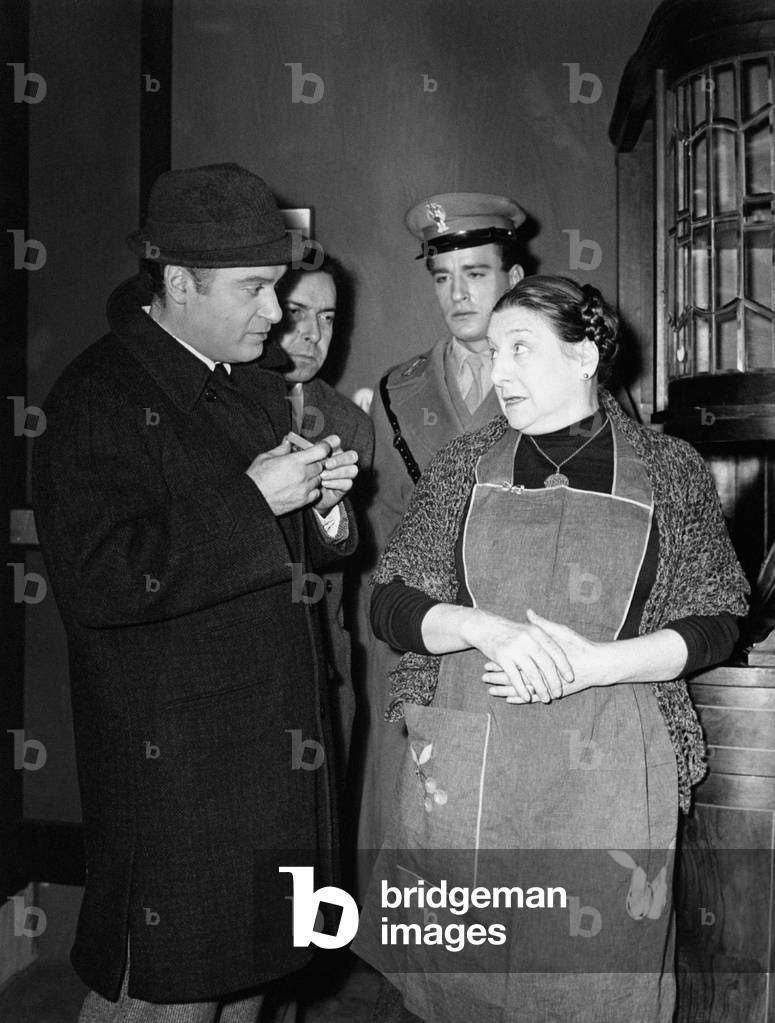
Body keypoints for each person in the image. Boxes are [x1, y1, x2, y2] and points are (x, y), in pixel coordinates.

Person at [353, 276, 748, 1022]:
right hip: (467, 767)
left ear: (584, 355)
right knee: (458, 985)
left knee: (594, 986)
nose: (498, 371)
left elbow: (717, 617)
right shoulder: (461, 465)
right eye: (493, 350)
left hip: (607, 775)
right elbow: (391, 601)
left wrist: (599, 663)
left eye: (520, 349)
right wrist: (481, 627)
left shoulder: (669, 469)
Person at [32, 163, 360, 1023]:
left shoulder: (239, 386)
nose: (274, 311)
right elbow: (101, 577)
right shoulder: (98, 395)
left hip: (262, 777)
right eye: (254, 288)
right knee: (163, 1002)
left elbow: (278, 557)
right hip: (180, 790)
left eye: (277, 286)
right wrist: (255, 497)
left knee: (242, 997)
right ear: (177, 283)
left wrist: (320, 508)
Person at [358, 192, 527, 857]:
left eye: (476, 274)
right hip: (421, 637)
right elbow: (383, 534)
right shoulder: (398, 392)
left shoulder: (561, 378)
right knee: (418, 822)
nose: (457, 294)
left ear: (513, 279)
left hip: (520, 637)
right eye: (441, 276)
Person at [273, 256, 374, 788]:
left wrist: (328, 510)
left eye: (329, 318)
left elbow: (347, 556)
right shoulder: (218, 406)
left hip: (326, 677)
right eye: (297, 312)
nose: (313, 334)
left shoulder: (348, 422)